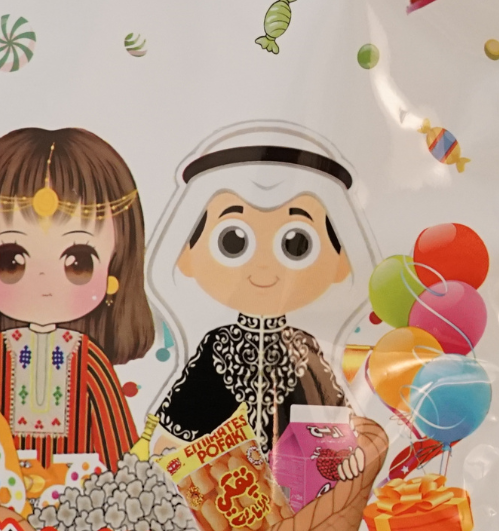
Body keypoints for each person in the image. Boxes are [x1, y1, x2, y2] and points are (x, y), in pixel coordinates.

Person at [144, 121, 375, 462]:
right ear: (186, 255)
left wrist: (346, 457)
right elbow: (177, 426)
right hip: (222, 487)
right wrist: (171, 452)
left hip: (296, 489)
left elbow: (336, 426)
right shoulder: (218, 346)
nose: (264, 265)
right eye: (233, 241)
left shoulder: (306, 348)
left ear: (341, 260)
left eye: (296, 243)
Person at [0, 126, 152, 473]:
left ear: (115, 271)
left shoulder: (89, 359)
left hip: (79, 488)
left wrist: (127, 469)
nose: (44, 283)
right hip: (1, 480)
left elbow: (112, 422)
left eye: (78, 263)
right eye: (11, 261)